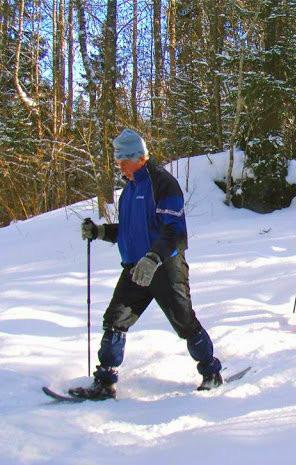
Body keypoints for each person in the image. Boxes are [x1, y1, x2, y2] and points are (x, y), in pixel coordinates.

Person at [72, 129, 223, 400]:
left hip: (165, 268)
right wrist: (99, 232)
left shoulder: (163, 184)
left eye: (123, 161)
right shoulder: (129, 190)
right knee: (115, 320)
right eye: (118, 161)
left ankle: (211, 372)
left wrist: (153, 258)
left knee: (184, 322)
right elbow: (130, 231)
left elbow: (175, 232)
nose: (120, 166)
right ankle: (105, 382)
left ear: (139, 157)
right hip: (134, 268)